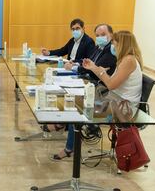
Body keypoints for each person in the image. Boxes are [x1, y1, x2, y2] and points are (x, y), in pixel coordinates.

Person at [52, 30, 143, 160]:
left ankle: (70, 147)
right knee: (78, 102)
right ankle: (80, 131)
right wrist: (95, 68)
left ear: (122, 44)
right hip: (115, 102)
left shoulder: (129, 60)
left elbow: (111, 85)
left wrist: (100, 72)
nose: (113, 46)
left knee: (79, 108)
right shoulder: (125, 59)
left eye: (114, 43)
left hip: (123, 108)